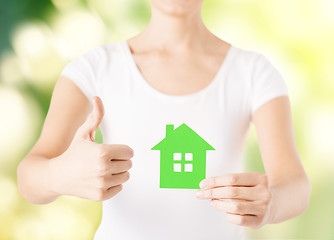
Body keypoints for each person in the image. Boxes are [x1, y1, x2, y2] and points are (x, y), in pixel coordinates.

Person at [17, 0, 311, 239]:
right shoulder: (94, 69)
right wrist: (59, 175)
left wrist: (271, 203)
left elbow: (295, 185)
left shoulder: (254, 73)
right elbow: (29, 179)